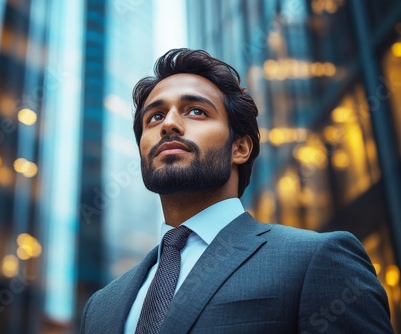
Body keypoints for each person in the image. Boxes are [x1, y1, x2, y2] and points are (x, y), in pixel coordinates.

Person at [80, 49, 393, 333]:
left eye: (196, 111)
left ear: (240, 148)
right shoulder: (101, 306)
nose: (169, 125)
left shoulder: (316, 259)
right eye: (155, 117)